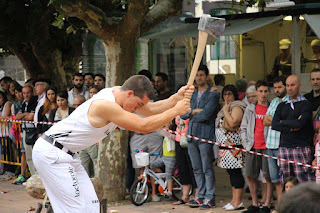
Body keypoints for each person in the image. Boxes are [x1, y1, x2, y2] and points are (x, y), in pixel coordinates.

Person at [32, 75, 193, 213]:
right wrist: (176, 111)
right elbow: (143, 126)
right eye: (137, 104)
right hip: (52, 152)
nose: (138, 109)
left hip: (68, 154)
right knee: (77, 209)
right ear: (130, 93)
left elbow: (151, 109)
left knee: (92, 205)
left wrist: (175, 98)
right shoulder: (105, 105)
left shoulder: (119, 92)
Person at [182, 65, 220, 209]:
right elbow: (182, 113)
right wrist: (193, 112)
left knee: (207, 168)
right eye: (197, 75)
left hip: (205, 135)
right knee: (196, 169)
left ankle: (210, 198)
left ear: (207, 76)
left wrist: (191, 113)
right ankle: (201, 196)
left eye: (201, 75)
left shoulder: (213, 94)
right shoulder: (191, 94)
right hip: (191, 136)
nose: (199, 77)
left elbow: (206, 115)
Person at [272, 75, 315, 184]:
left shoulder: (305, 104)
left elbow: (301, 123)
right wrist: (292, 127)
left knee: (303, 180)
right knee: (285, 181)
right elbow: (274, 125)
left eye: (293, 85)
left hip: (300, 146)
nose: (290, 88)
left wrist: (283, 123)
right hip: (283, 146)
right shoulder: (281, 105)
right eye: (287, 85)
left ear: (299, 86)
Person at [240, 80, 272, 213]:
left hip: (267, 147)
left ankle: (267, 203)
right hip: (252, 146)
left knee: (268, 177)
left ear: (268, 92)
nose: (263, 94)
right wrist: (246, 143)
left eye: (265, 91)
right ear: (256, 92)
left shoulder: (272, 108)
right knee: (250, 176)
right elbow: (243, 127)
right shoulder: (250, 108)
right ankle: (254, 203)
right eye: (260, 91)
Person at [215, 85, 246, 211]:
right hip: (225, 147)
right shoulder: (226, 108)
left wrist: (226, 112)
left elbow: (232, 123)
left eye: (230, 94)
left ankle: (238, 201)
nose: (227, 97)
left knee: (236, 173)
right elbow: (224, 124)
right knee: (231, 173)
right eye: (225, 94)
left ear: (235, 95)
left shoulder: (237, 106)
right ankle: (234, 199)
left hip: (234, 147)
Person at [263, 76, 288, 201]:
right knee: (276, 179)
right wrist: (278, 121)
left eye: (280, 87)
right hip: (270, 145)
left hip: (282, 145)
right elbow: (265, 121)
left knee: (285, 179)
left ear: (286, 86)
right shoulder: (273, 101)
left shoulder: (289, 102)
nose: (277, 90)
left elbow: (286, 123)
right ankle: (280, 205)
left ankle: (286, 205)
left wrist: (275, 121)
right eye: (275, 88)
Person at [150, 120, 176, 198]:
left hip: (171, 157)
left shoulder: (171, 135)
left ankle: (170, 191)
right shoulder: (165, 135)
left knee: (169, 174)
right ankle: (162, 178)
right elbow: (160, 131)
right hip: (164, 157)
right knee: (153, 165)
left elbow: (167, 133)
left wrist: (166, 125)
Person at [15, 86, 38, 176]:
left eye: (28, 93)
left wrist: (23, 115)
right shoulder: (24, 103)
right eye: (24, 93)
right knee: (28, 156)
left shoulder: (35, 102)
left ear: (32, 93)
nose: (26, 95)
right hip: (25, 130)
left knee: (35, 155)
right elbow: (17, 117)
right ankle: (33, 176)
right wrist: (25, 115)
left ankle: (38, 175)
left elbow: (31, 117)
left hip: (33, 131)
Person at [304, 68, 320, 145]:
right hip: (307, 140)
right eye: (313, 79)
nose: (315, 82)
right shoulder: (305, 98)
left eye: (318, 79)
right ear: (310, 81)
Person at [0, 91, 12, 175]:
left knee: (6, 153)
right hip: (1, 133)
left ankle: (9, 170)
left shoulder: (7, 104)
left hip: (6, 133)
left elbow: (7, 117)